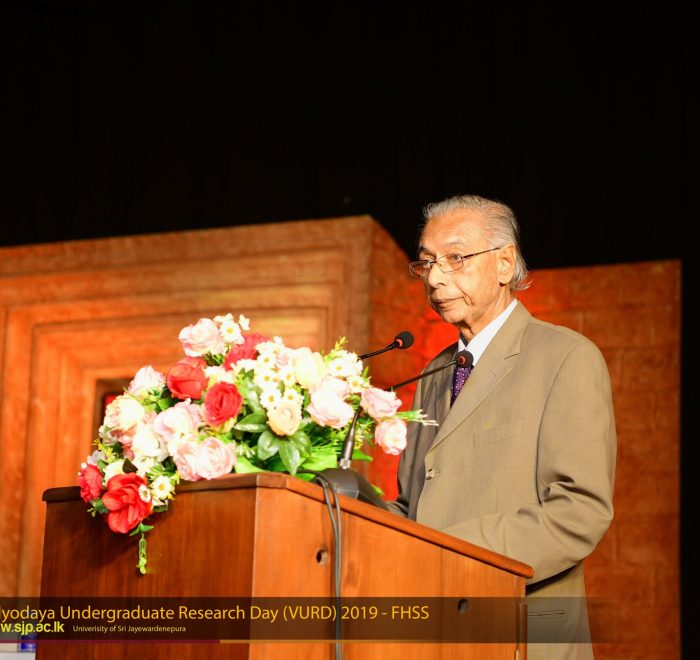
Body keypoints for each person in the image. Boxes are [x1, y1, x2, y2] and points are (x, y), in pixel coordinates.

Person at [389, 194, 616, 660]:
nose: (435, 278)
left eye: (455, 258)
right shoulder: (433, 373)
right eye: (427, 262)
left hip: (519, 633)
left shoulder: (565, 357)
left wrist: (449, 555)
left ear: (505, 263)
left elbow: (579, 512)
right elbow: (414, 508)